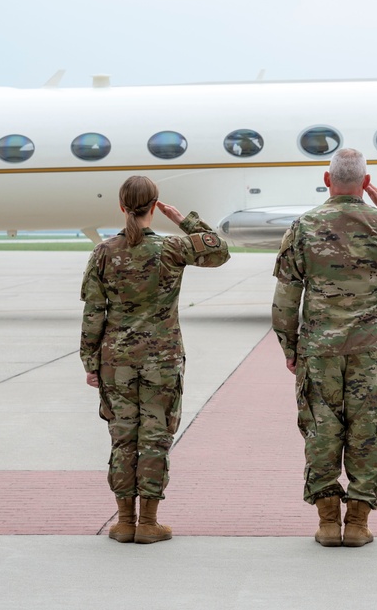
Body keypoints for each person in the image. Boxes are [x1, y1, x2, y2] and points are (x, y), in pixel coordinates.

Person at [272, 147, 377, 547]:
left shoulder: (304, 226)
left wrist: (289, 346)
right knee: (368, 432)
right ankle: (359, 522)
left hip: (319, 349)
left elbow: (285, 298)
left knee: (321, 430)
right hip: (371, 349)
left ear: (327, 180)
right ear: (365, 182)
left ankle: (328, 523)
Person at [80, 175, 230, 544]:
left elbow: (93, 312)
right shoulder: (171, 248)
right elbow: (220, 251)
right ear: (154, 205)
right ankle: (148, 522)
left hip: (116, 360)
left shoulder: (103, 252)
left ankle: (123, 521)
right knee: (155, 438)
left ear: (121, 207)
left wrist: (89, 361)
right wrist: (184, 220)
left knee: (122, 439)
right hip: (161, 361)